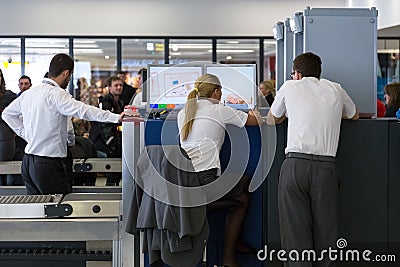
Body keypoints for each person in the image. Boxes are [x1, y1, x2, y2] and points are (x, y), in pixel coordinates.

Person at [267, 52, 359, 267]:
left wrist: (289, 113)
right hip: (326, 169)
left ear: (296, 73)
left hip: (295, 165)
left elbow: (271, 119)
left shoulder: (290, 86)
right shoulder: (336, 88)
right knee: (327, 233)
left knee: (295, 233)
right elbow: (354, 115)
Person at [2, 53, 124, 195]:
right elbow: (84, 110)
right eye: (70, 75)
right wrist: (116, 118)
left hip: (28, 163)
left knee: (37, 212)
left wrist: (26, 134)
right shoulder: (57, 94)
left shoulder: (30, 92)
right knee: (58, 211)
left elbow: (7, 114)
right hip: (48, 164)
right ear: (66, 73)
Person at [177, 74, 262, 267]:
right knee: (245, 190)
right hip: (207, 183)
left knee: (239, 194)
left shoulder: (184, 113)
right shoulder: (219, 110)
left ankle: (231, 250)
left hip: (185, 183)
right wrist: (253, 109)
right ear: (216, 92)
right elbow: (255, 121)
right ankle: (229, 256)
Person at [89, 76, 124, 185]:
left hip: (113, 142)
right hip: (103, 143)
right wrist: (111, 143)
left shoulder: (119, 102)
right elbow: (105, 125)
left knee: (117, 173)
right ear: (109, 87)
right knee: (113, 172)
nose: (119, 87)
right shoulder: (105, 102)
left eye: (121, 85)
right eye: (116, 85)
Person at [0, 68, 17, 185]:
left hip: (5, 138)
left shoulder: (9, 96)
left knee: (3, 169)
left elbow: (21, 114)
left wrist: (16, 129)